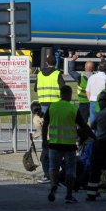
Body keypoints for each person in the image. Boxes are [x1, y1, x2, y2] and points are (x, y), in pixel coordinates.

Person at [42, 85, 94, 203]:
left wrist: (45, 140)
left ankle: (54, 184)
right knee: (70, 170)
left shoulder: (52, 107)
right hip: (69, 145)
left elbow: (45, 124)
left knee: (53, 168)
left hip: (54, 144)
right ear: (70, 95)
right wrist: (94, 137)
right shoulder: (73, 109)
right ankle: (69, 195)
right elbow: (84, 126)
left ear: (60, 94)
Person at [35, 56, 65, 184]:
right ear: (55, 63)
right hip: (56, 104)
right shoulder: (58, 74)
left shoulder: (40, 74)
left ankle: (48, 171)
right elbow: (63, 87)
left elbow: (36, 88)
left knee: (46, 130)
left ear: (46, 63)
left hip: (44, 104)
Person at [68, 54, 94, 123]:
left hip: (83, 103)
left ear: (85, 67)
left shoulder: (80, 77)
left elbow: (71, 71)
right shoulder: (95, 77)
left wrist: (73, 60)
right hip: (93, 103)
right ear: (93, 68)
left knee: (82, 124)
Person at [86, 60, 106, 124]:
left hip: (93, 101)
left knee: (93, 123)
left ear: (98, 68)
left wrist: (90, 100)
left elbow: (87, 91)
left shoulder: (91, 77)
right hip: (103, 103)